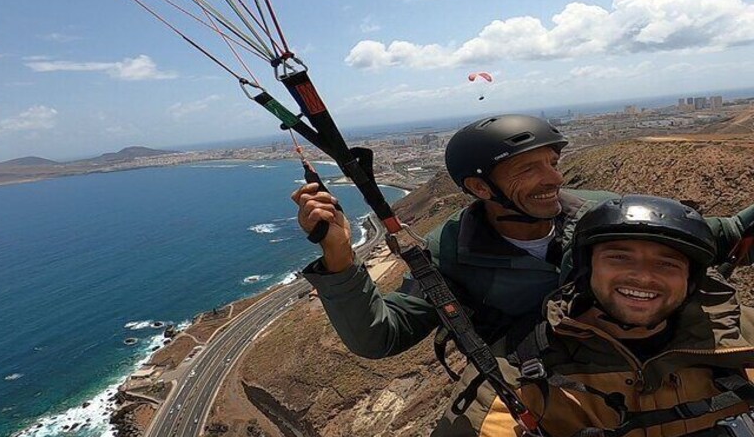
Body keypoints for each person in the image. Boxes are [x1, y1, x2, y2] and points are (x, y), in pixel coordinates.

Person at [292, 114, 754, 362]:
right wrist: (340, 260)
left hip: (650, 355)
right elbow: (382, 339)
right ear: (479, 188)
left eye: (552, 162)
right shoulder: (452, 250)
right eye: (529, 168)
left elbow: (728, 234)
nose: (552, 178)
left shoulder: (600, 212)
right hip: (546, 382)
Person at [430, 195, 754, 437]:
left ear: (690, 279)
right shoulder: (518, 366)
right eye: (619, 258)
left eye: (666, 263)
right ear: (587, 270)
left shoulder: (742, 339)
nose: (642, 276)